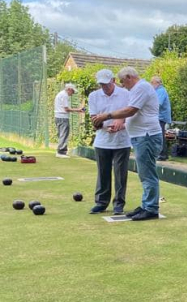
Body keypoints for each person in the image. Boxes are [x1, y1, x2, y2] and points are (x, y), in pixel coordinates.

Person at [91, 67, 162, 221]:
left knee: (148, 174)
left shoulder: (141, 87)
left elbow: (130, 110)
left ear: (129, 77)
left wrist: (107, 115)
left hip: (146, 135)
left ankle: (151, 208)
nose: (123, 85)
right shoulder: (138, 88)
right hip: (142, 136)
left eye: (123, 81)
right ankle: (146, 205)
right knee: (145, 174)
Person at [87, 69, 131, 215]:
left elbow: (131, 114)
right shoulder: (93, 96)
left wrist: (121, 123)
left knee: (120, 174)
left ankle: (119, 203)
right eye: (101, 84)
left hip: (122, 140)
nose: (104, 87)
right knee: (103, 173)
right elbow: (95, 120)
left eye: (106, 84)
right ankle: (101, 202)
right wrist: (104, 124)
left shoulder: (126, 94)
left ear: (113, 80)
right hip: (102, 140)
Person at [54, 83, 84, 158]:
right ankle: (61, 152)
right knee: (64, 134)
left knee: (61, 134)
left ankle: (61, 151)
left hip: (58, 117)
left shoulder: (60, 94)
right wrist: (78, 110)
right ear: (69, 89)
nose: (73, 93)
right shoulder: (65, 95)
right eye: (73, 91)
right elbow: (66, 109)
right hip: (63, 117)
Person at [151, 76, 172, 161]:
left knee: (160, 135)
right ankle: (162, 154)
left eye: (152, 82)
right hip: (158, 116)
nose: (151, 84)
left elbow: (158, 104)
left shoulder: (161, 91)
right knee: (159, 135)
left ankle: (162, 155)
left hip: (161, 117)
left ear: (157, 83)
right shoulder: (157, 90)